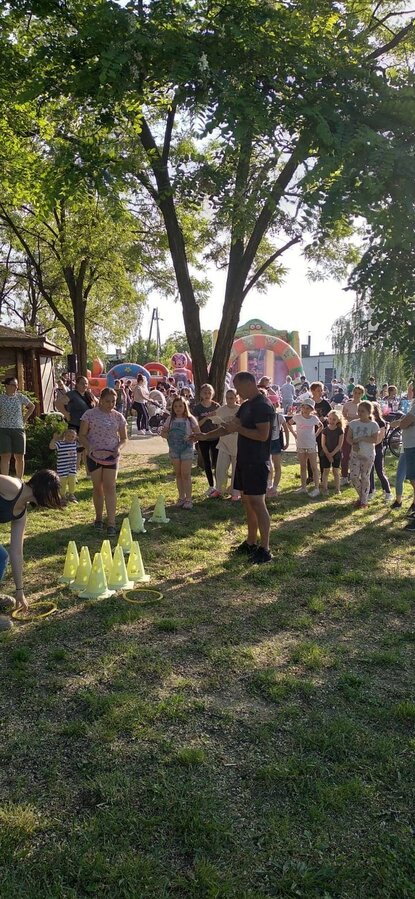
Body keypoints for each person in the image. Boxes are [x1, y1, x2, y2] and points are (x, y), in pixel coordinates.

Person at [192, 372, 275, 563]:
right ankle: (251, 542)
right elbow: (229, 427)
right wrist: (204, 436)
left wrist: (238, 429)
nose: (236, 392)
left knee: (257, 503)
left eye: (238, 387)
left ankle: (265, 549)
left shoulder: (262, 405)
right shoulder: (245, 405)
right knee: (247, 501)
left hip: (257, 461)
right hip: (243, 459)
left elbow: (262, 435)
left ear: (249, 384)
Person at [0, 469, 61, 613]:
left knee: (2, 557)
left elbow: (16, 552)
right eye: (53, 493)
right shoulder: (13, 486)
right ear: (45, 489)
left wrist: (19, 591)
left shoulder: (21, 513)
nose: (52, 498)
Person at [79, 388, 127, 536]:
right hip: (94, 456)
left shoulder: (118, 417)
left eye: (113, 401)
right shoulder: (89, 415)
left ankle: (111, 522)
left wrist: (118, 448)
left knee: (110, 487)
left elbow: (124, 438)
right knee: (97, 488)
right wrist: (89, 447)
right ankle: (99, 518)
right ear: (100, 400)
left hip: (111, 457)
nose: (110, 404)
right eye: (107, 401)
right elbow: (82, 435)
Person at [160, 396, 199, 509]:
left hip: (187, 449)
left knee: (186, 474)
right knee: (178, 474)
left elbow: (198, 434)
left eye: (180, 406)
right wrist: (168, 435)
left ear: (185, 407)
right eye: (175, 406)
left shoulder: (190, 419)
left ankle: (189, 499)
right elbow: (163, 433)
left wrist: (191, 437)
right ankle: (181, 497)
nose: (178, 408)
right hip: (174, 449)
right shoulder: (170, 419)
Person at [55, 375, 95, 468]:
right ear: (77, 384)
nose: (84, 385)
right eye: (82, 383)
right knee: (76, 449)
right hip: (75, 425)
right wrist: (66, 414)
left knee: (86, 448)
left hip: (87, 425)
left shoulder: (88, 394)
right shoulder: (72, 394)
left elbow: (96, 403)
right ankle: (74, 470)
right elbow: (58, 403)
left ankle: (88, 470)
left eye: (86, 383)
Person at [209, 388, 241, 500]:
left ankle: (235, 491)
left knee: (236, 469)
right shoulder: (221, 410)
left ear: (236, 398)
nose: (229, 400)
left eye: (231, 398)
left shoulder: (240, 409)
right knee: (221, 468)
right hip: (224, 443)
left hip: (237, 444)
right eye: (227, 398)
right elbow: (215, 421)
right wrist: (212, 416)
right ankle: (219, 489)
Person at [287, 398, 323, 497]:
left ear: (312, 409)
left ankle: (316, 488)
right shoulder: (297, 417)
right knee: (303, 466)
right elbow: (289, 423)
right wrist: (294, 434)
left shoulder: (314, 418)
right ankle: (303, 487)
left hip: (311, 444)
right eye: (304, 407)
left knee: (314, 466)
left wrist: (315, 435)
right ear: (301, 407)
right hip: (301, 444)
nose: (306, 410)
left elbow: (321, 426)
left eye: (308, 408)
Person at [0, 377, 35, 478]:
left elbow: (32, 406)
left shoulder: (20, 397)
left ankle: (19, 480)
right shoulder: (1, 398)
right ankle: (5, 480)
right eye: (13, 385)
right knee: (5, 455)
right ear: (6, 386)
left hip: (19, 429)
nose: (15, 387)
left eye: (16, 385)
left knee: (19, 456)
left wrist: (24, 418)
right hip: (4, 429)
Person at [347, 401, 379, 509]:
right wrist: (353, 443)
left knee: (365, 476)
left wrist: (361, 438)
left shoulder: (373, 425)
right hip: (355, 454)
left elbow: (374, 439)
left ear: (369, 412)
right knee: (353, 477)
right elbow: (348, 438)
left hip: (368, 454)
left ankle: (364, 502)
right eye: (359, 410)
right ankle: (362, 497)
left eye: (362, 411)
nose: (360, 413)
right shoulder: (353, 423)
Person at [192, 384, 220, 495]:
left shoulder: (216, 406)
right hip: (203, 438)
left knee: (217, 462)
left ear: (212, 394)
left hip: (215, 437)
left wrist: (215, 417)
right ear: (201, 394)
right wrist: (207, 417)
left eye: (209, 392)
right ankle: (211, 485)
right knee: (207, 462)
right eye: (205, 392)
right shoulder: (198, 408)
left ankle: (218, 486)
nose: (207, 395)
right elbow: (196, 424)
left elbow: (220, 421)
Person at [396, 396, 415, 530]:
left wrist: (402, 422)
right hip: (411, 445)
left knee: (414, 479)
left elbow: (404, 424)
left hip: (413, 446)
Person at [340, 384, 365, 484]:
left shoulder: (363, 405)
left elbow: (364, 417)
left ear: (362, 394)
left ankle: (356, 475)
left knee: (358, 453)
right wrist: (354, 418)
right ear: (353, 393)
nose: (357, 395)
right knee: (345, 453)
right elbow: (344, 416)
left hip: (359, 430)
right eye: (355, 393)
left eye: (359, 393)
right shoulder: (347, 404)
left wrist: (352, 418)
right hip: (348, 429)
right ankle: (344, 476)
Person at [368, 403, 392, 502]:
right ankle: (371, 491)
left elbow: (380, 438)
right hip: (368, 449)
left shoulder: (381, 422)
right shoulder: (368, 421)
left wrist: (372, 444)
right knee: (369, 471)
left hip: (377, 449)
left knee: (379, 471)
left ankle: (387, 492)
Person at [49, 429, 79, 503]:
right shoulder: (60, 443)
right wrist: (54, 439)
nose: (70, 438)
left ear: (75, 437)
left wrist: (79, 438)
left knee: (72, 481)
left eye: (72, 436)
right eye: (68, 436)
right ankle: (62, 496)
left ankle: (71, 494)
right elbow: (51, 447)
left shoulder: (74, 443)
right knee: (62, 482)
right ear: (64, 435)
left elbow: (83, 443)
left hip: (72, 467)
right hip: (62, 467)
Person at [267, 407, 290, 496]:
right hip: (266, 442)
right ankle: (269, 485)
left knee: (277, 465)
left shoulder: (279, 417)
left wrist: (287, 443)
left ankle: (274, 487)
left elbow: (286, 430)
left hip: (275, 442)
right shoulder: (264, 416)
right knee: (268, 465)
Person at [320, 411, 344, 495]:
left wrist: (332, 454)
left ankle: (337, 489)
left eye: (334, 419)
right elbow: (323, 444)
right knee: (325, 471)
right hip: (325, 453)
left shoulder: (340, 430)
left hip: (336, 453)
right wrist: (328, 454)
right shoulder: (325, 430)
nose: (332, 421)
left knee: (336, 471)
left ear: (338, 420)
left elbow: (339, 445)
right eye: (330, 418)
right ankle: (325, 489)